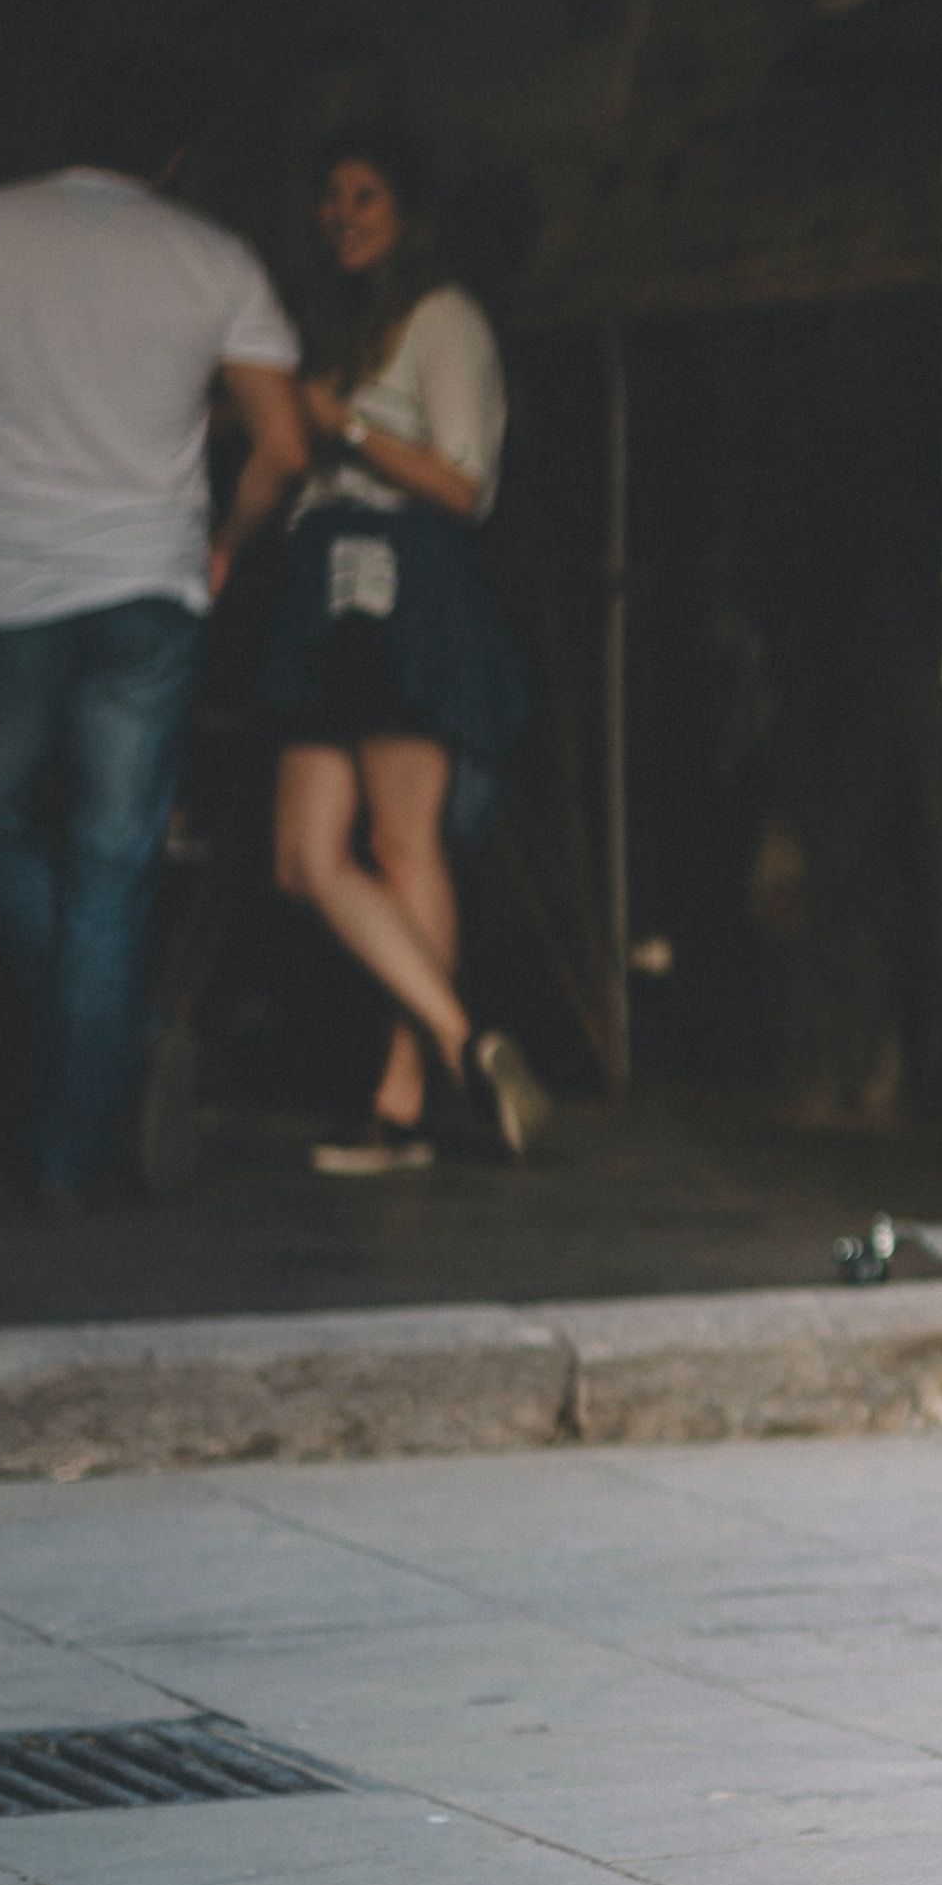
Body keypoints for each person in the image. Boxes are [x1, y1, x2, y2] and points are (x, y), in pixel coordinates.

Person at [0, 41, 306, 1207]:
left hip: (1, 587)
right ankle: (74, 1148)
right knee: (114, 866)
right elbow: (282, 445)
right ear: (173, 152)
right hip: (148, 587)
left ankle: (124, 1034)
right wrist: (223, 545)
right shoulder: (215, 258)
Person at [258, 125, 547, 1170]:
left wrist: (343, 431)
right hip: (324, 596)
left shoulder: (445, 318)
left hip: (411, 594)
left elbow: (465, 486)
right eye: (331, 194)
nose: (342, 213)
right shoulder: (337, 327)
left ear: (408, 212)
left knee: (400, 843)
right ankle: (470, 1043)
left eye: (365, 194)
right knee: (303, 856)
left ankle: (405, 1099)